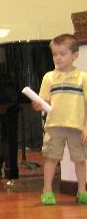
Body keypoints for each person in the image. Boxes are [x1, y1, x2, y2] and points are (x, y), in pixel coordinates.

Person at [33, 33, 87, 206]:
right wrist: (40, 105)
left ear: (74, 55)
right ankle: (47, 191)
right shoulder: (49, 77)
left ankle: (82, 191)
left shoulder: (83, 78)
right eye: (55, 54)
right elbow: (45, 101)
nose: (57, 58)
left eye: (62, 54)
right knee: (51, 158)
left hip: (77, 127)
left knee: (80, 159)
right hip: (54, 126)